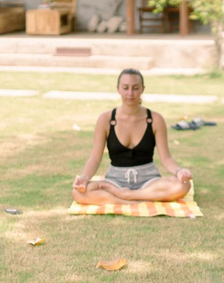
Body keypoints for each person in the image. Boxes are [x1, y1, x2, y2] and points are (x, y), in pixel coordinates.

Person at [71, 68, 193, 205]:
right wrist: (84, 178)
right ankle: (129, 201)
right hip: (115, 181)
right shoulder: (105, 119)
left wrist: (179, 171)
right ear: (118, 89)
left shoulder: (155, 119)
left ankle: (128, 196)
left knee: (184, 185)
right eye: (125, 88)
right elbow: (94, 158)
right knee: (78, 192)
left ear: (142, 89)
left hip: (149, 181)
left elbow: (166, 158)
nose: (130, 93)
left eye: (135, 88)